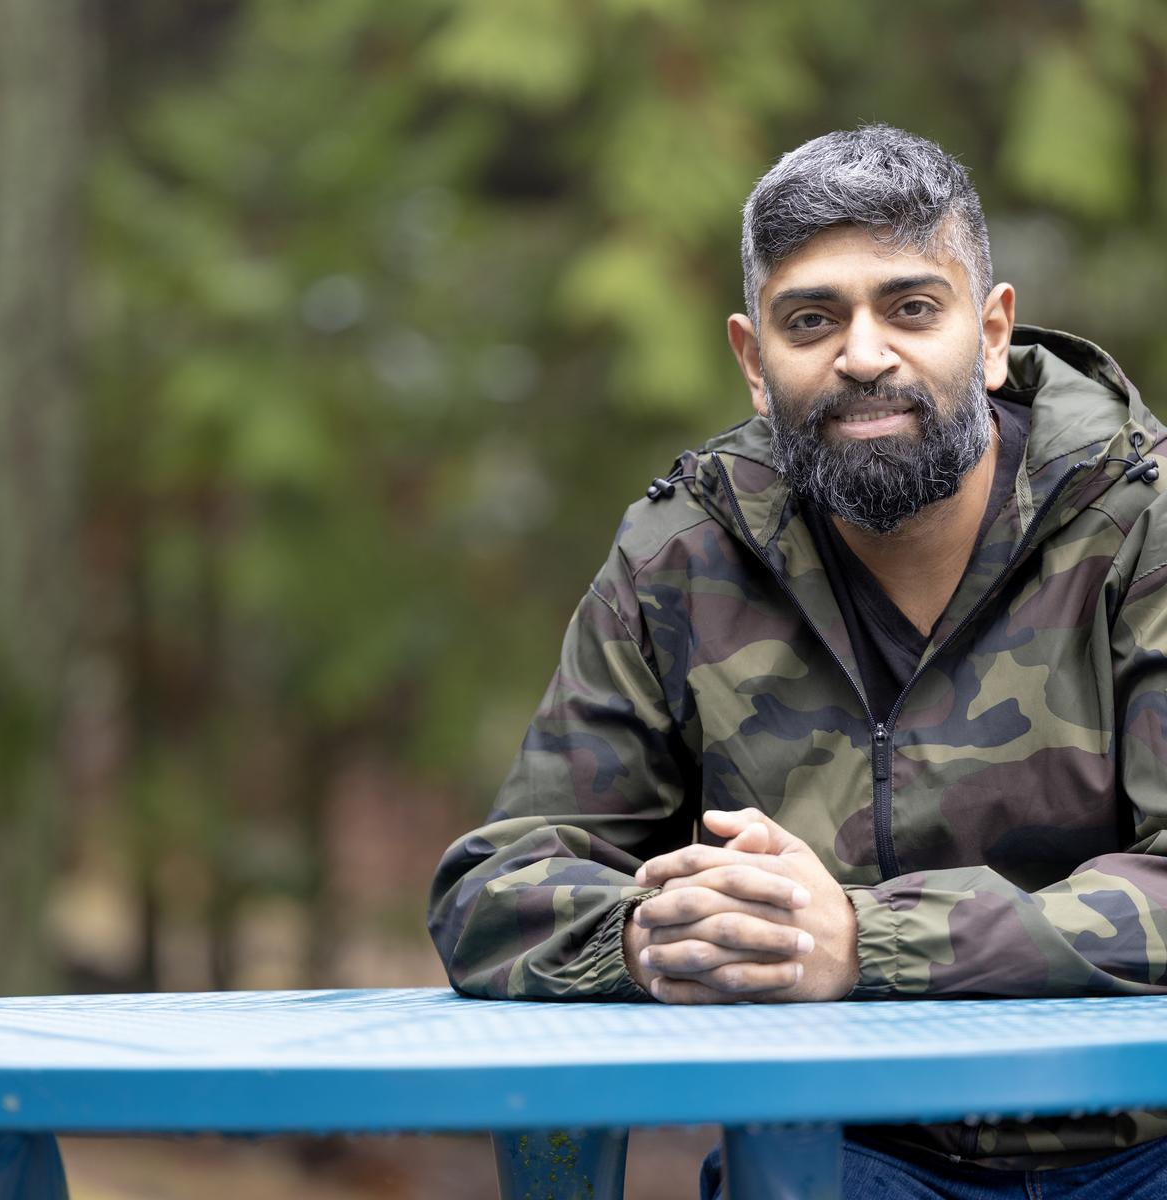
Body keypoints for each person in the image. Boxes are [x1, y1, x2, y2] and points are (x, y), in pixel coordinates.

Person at [427, 125, 1167, 1196]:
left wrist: (865, 942)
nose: (863, 356)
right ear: (753, 361)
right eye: (812, 320)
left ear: (992, 333)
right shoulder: (684, 556)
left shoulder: (1142, 524)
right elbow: (495, 885)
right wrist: (654, 936)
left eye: (912, 308)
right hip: (845, 1151)